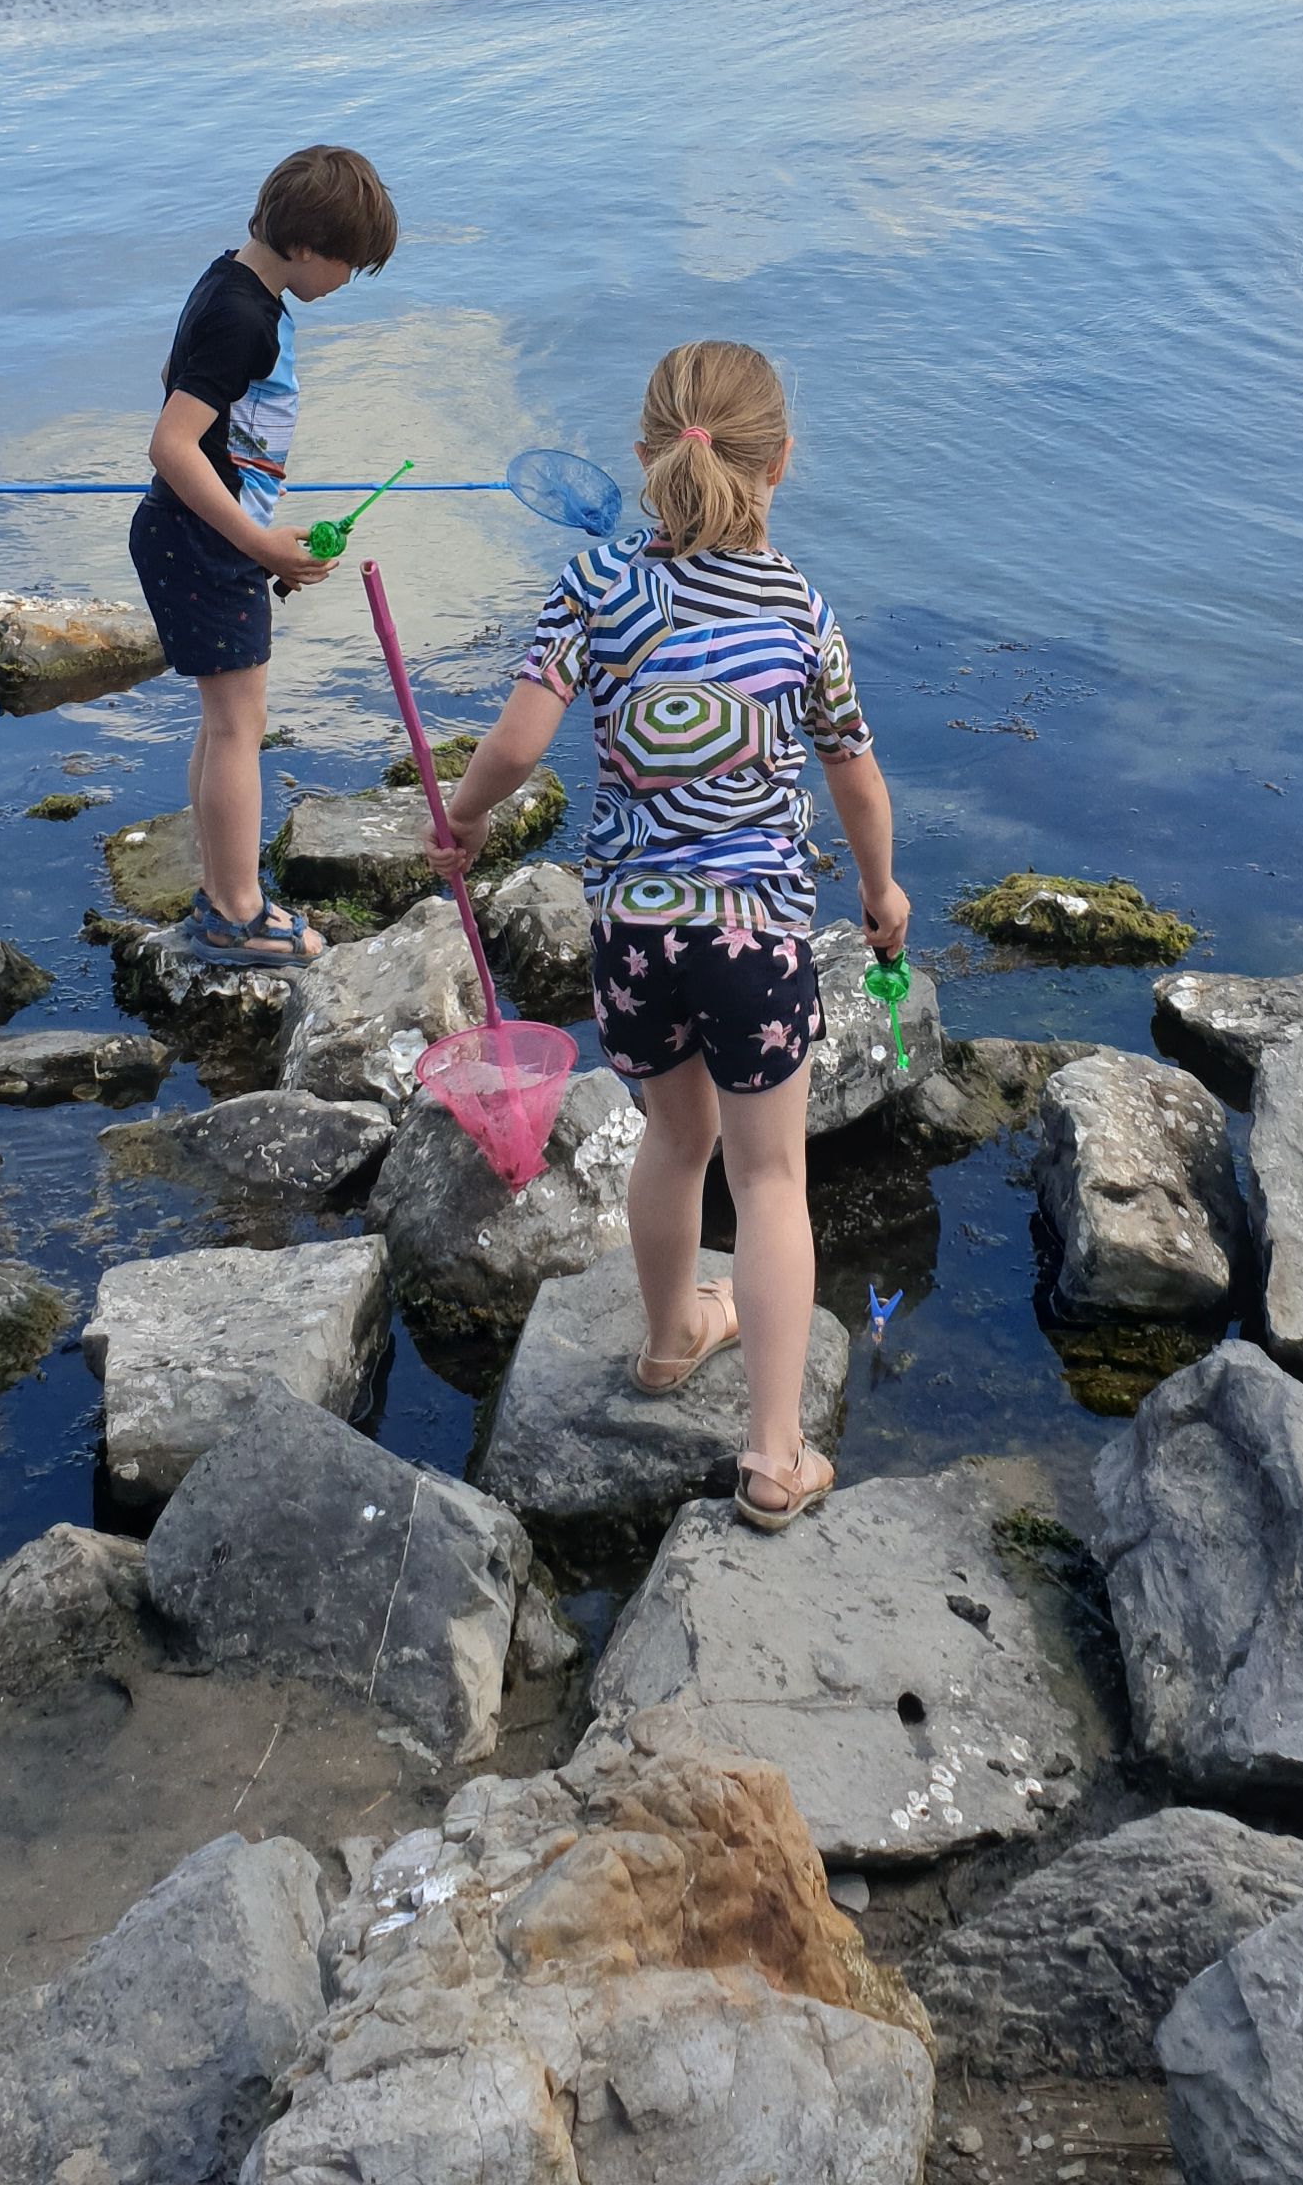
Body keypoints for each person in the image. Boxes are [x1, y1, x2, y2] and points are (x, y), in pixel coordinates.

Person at [428, 340, 907, 1530]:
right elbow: (855, 777)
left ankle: (668, 1338)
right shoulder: (800, 605)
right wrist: (881, 892)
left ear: (646, 455)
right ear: (780, 463)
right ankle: (772, 1454)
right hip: (754, 931)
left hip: (634, 931)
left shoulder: (595, 583)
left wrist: (469, 820)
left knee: (673, 1143)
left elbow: (521, 743)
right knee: (772, 1174)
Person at [129, 143, 399, 961]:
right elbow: (171, 444)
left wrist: (256, 530)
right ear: (309, 246)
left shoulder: (230, 283)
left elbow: (177, 373)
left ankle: (220, 891)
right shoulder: (245, 316)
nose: (347, 282)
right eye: (350, 264)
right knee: (241, 726)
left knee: (223, 724)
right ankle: (238, 913)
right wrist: (256, 543)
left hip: (203, 536)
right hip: (201, 541)